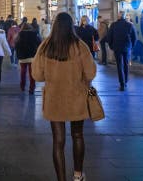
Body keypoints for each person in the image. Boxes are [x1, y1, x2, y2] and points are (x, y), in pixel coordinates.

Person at [32, 12, 97, 181]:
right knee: (78, 135)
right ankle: (78, 175)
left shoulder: (45, 47)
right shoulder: (80, 46)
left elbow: (37, 75)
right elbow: (90, 72)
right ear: (71, 26)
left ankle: (61, 178)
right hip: (76, 97)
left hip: (55, 99)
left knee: (58, 141)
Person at [104, 11, 136, 91]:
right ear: (124, 16)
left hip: (117, 48)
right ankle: (125, 80)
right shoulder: (129, 25)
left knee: (119, 65)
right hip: (127, 48)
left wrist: (111, 46)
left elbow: (109, 37)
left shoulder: (114, 25)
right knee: (126, 64)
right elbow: (134, 38)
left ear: (118, 16)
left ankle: (122, 83)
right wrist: (131, 46)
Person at [15, 22, 42, 94]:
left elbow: (16, 46)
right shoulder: (35, 35)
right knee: (32, 73)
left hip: (22, 57)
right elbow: (40, 43)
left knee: (23, 72)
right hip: (32, 57)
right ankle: (32, 88)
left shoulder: (19, 35)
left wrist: (18, 55)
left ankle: (22, 86)